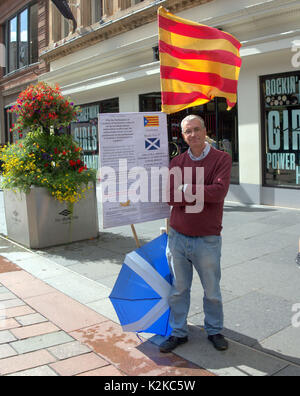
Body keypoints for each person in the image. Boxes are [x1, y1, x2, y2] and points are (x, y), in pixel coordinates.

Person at [160, 115, 232, 353]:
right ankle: (179, 332)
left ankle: (214, 330)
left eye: (197, 129)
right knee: (179, 290)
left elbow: (219, 192)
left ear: (205, 130)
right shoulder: (177, 162)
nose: (193, 134)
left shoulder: (221, 158)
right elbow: (170, 197)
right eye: (188, 131)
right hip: (178, 237)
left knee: (211, 291)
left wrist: (187, 189)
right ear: (183, 136)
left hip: (207, 239)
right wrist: (201, 191)